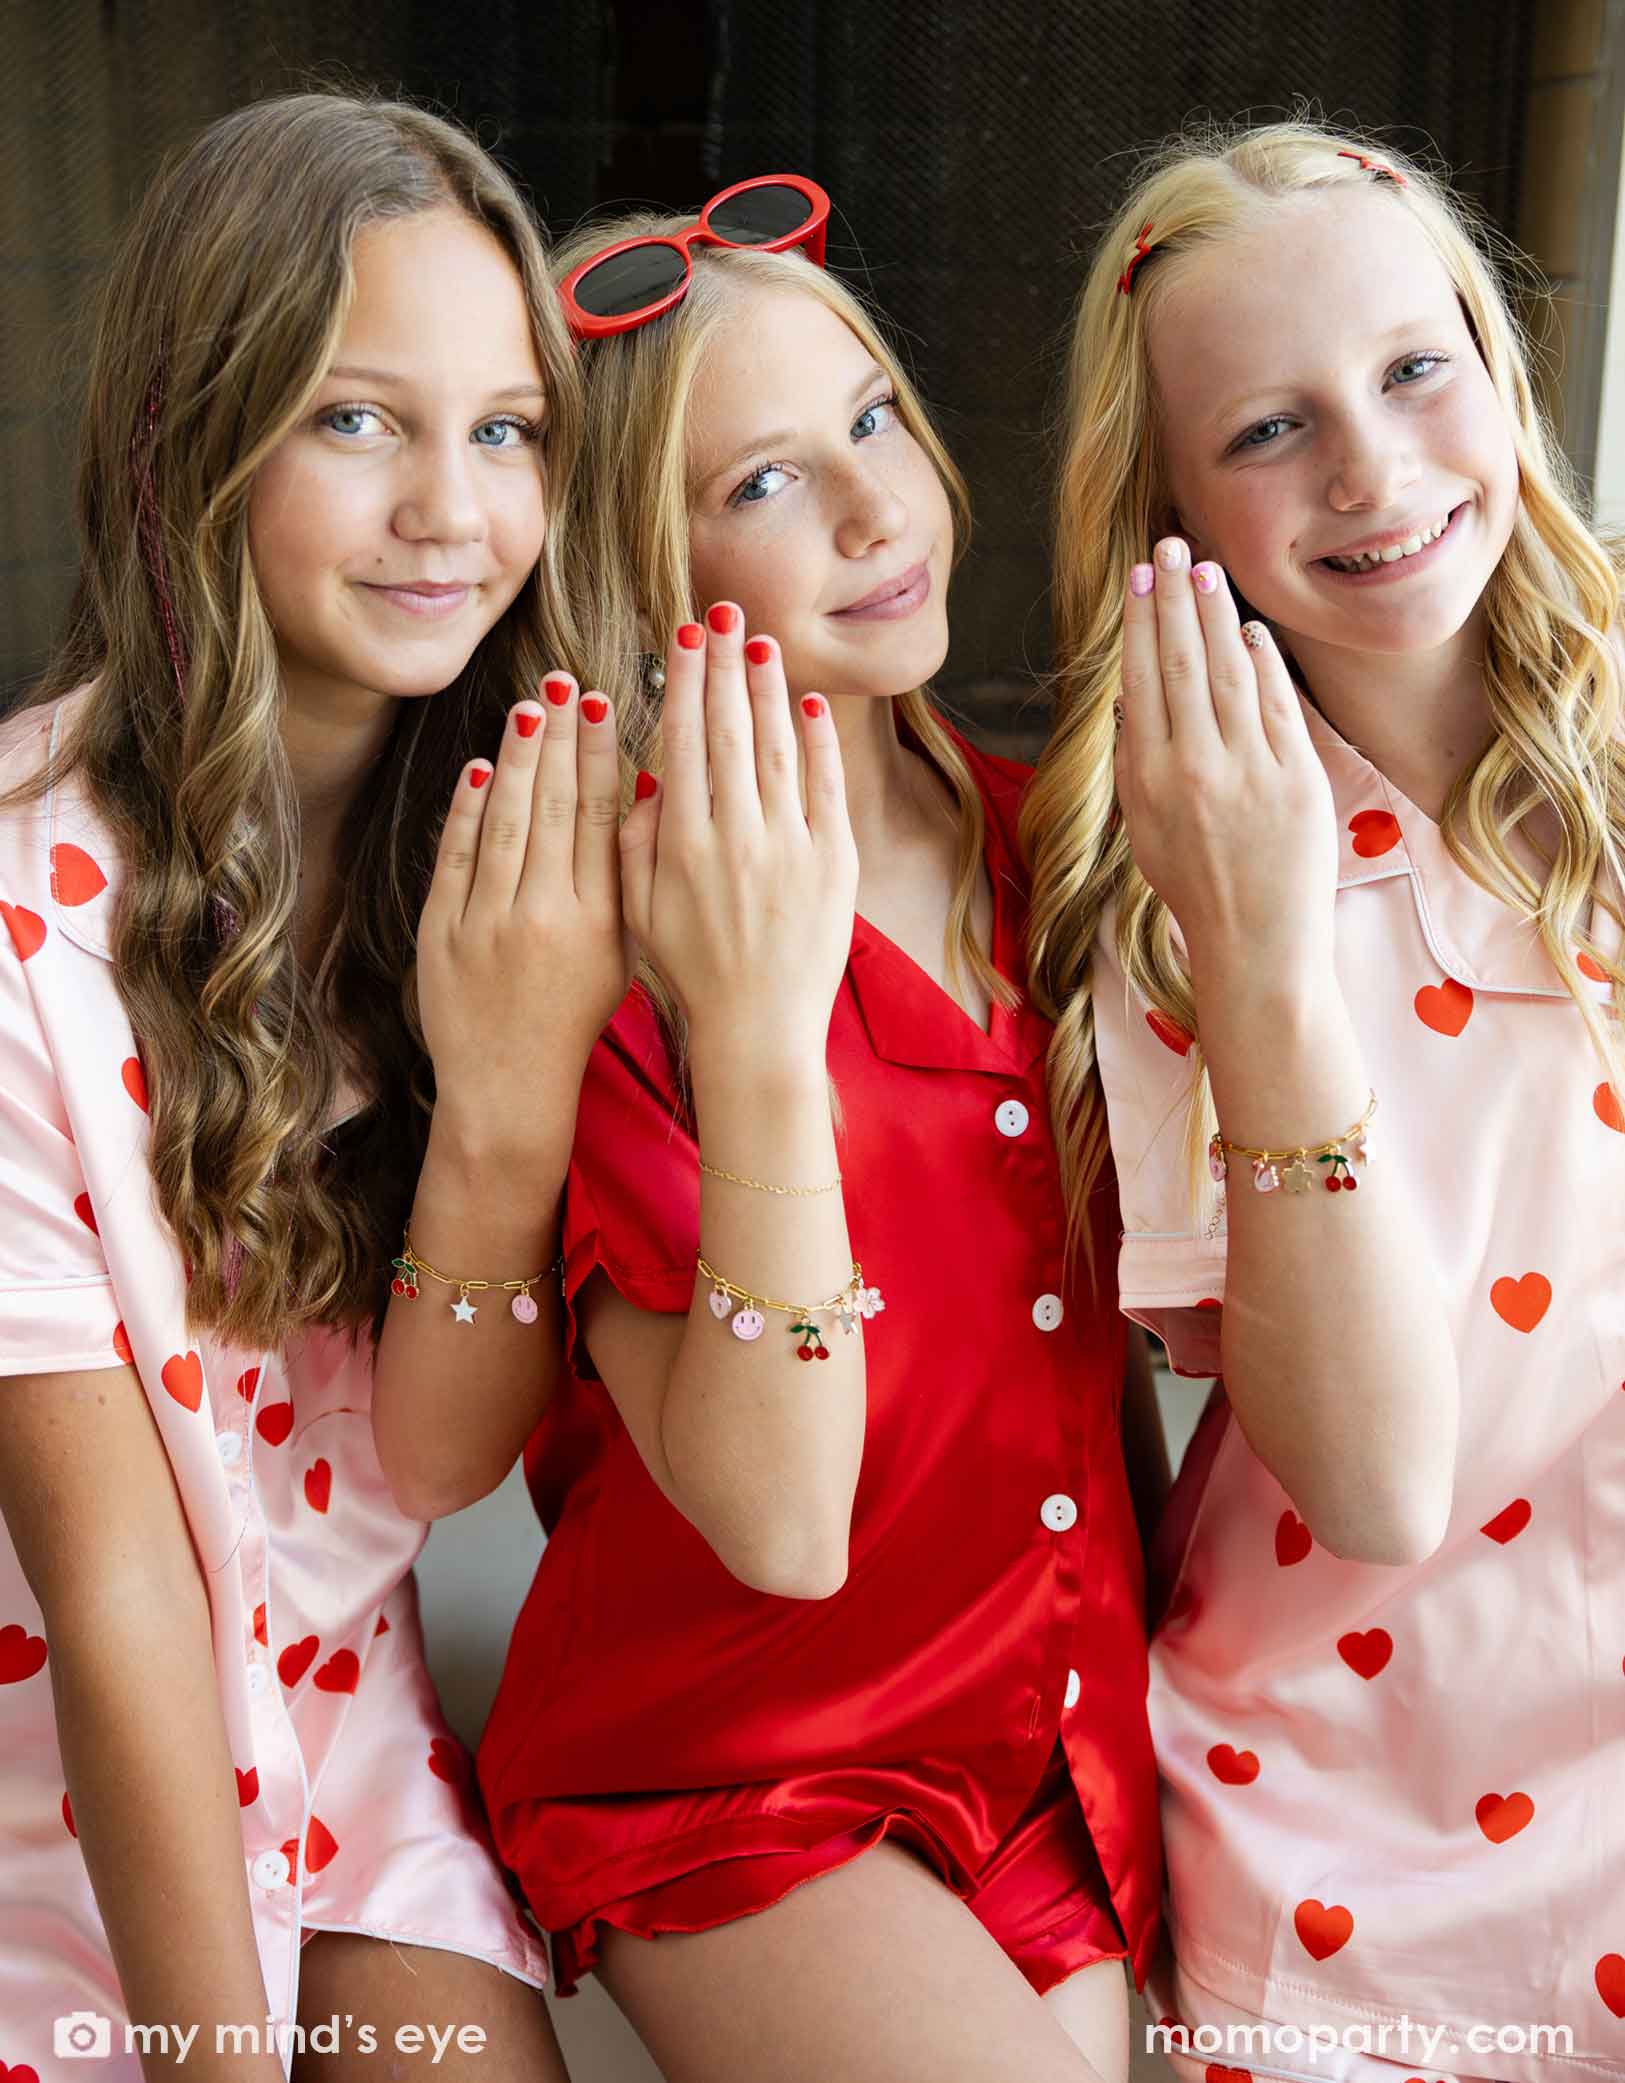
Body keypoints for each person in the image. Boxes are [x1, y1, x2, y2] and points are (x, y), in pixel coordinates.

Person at [396, 175, 1167, 2083]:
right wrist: (755, 1028)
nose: (874, 509)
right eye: (761, 481)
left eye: (873, 419)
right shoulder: (610, 961)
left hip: (1048, 1745)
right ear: (636, 571)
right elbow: (777, 1523)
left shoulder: (1052, 844)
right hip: (740, 1767)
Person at [0, 91, 627, 2081]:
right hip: (48, 1745)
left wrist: (510, 1090)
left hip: (338, 1714)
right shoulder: (22, 913)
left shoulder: (529, 853)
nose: (452, 509)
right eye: (358, 420)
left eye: (505, 431)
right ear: (191, 438)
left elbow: (437, 1467)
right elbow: (111, 1589)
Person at [1023, 120, 1624, 2083]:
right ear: (1173, 511)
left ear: (1499, 369)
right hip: (1365, 1824)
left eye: (1412, 369)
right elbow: (1370, 1489)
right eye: (1269, 430)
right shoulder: (1170, 894)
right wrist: (1267, 950)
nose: (1370, 471)